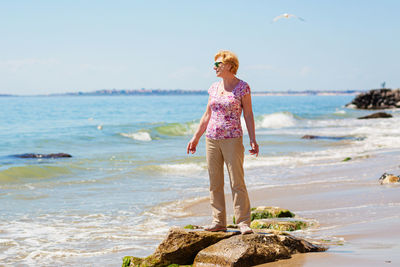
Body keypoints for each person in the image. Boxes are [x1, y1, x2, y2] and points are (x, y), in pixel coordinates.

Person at [187, 50, 259, 234]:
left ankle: (243, 222)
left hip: (232, 139)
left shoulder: (243, 87)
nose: (214, 67)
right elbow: (207, 115)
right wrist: (195, 138)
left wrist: (253, 139)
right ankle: (219, 222)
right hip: (211, 139)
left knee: (237, 182)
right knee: (215, 182)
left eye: (218, 64)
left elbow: (248, 114)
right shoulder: (213, 88)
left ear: (229, 65)